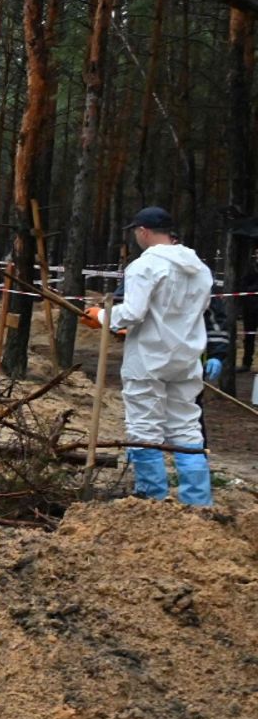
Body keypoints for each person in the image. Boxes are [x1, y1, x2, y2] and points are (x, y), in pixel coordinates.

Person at [82, 207, 214, 506]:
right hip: (186, 356)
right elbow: (197, 310)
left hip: (149, 357)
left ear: (143, 231)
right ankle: (198, 502)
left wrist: (101, 316)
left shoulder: (145, 266)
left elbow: (132, 312)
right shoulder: (199, 268)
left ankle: (150, 500)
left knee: (143, 427)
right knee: (186, 425)